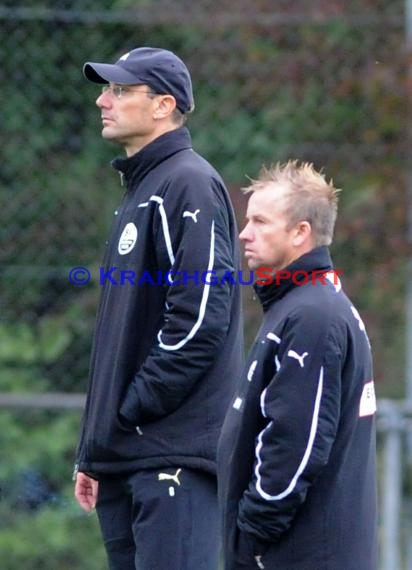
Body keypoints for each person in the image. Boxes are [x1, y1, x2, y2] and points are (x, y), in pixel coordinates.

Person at [73, 46, 244, 570]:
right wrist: (96, 447)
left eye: (121, 90)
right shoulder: (141, 188)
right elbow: (123, 335)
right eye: (107, 89)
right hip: (126, 457)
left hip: (171, 458)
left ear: (163, 105)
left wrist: (132, 409)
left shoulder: (188, 183)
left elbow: (199, 318)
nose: (104, 100)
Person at [218, 160, 378, 570]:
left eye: (259, 221)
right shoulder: (301, 305)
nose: (244, 233)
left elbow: (296, 444)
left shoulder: (313, 316)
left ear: (300, 233)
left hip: (300, 555)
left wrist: (252, 535)